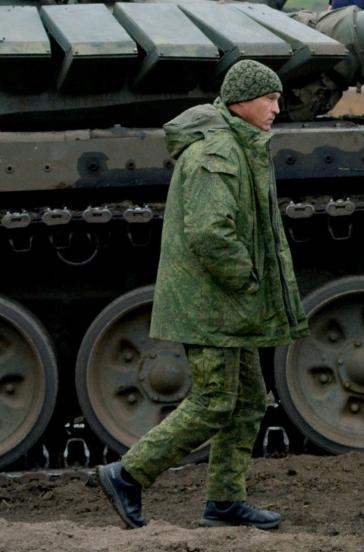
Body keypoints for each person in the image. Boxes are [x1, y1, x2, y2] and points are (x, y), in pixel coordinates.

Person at [97, 60, 309, 530]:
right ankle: (128, 474)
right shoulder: (218, 154)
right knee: (215, 399)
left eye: (278, 98)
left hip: (226, 305)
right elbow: (211, 233)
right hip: (211, 304)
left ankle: (224, 502)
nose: (278, 108)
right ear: (240, 102)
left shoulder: (239, 145)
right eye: (269, 99)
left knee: (249, 400)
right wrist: (248, 281)